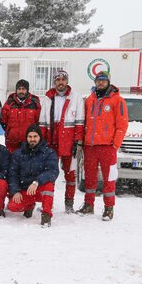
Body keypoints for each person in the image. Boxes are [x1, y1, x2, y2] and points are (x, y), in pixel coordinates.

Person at [77, 71, 128, 221]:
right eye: (98, 80)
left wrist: (115, 145)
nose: (100, 83)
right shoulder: (89, 99)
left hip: (108, 147)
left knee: (109, 178)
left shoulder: (117, 100)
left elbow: (122, 125)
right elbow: (84, 121)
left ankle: (108, 208)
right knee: (90, 178)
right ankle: (88, 205)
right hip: (90, 146)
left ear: (108, 82)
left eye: (103, 80)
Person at [39, 70, 85, 213]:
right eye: (57, 79)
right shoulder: (47, 98)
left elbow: (79, 122)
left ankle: (69, 203)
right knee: (49, 173)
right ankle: (47, 203)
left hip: (69, 141)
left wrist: (78, 141)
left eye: (63, 79)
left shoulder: (75, 97)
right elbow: (42, 122)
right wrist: (42, 141)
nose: (60, 82)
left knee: (70, 174)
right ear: (54, 82)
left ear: (67, 81)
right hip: (51, 140)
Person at [7, 124, 59, 227]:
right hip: (25, 189)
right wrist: (16, 191)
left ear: (40, 137)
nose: (32, 139)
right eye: (30, 137)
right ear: (26, 138)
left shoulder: (49, 152)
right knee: (13, 207)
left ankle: (46, 214)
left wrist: (37, 181)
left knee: (49, 184)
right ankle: (29, 206)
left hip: (40, 188)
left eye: (35, 136)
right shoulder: (18, 154)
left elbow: (52, 172)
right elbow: (13, 174)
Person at [0, 79, 41, 153]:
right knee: (12, 164)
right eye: (19, 89)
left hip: (30, 143)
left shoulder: (35, 104)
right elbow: (3, 121)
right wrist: (10, 132)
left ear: (27, 90)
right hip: (12, 144)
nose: (21, 91)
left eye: (23, 89)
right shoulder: (9, 103)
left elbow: (38, 123)